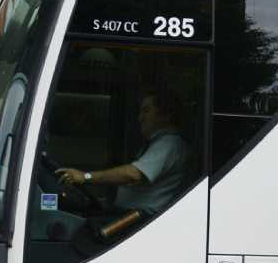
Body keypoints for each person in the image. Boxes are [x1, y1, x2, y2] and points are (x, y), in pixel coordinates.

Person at [55, 90, 194, 217]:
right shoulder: (157, 143)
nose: (140, 118)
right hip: (129, 216)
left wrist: (86, 176)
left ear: (166, 115)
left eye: (146, 111)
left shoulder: (170, 144)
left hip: (141, 221)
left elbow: (133, 174)